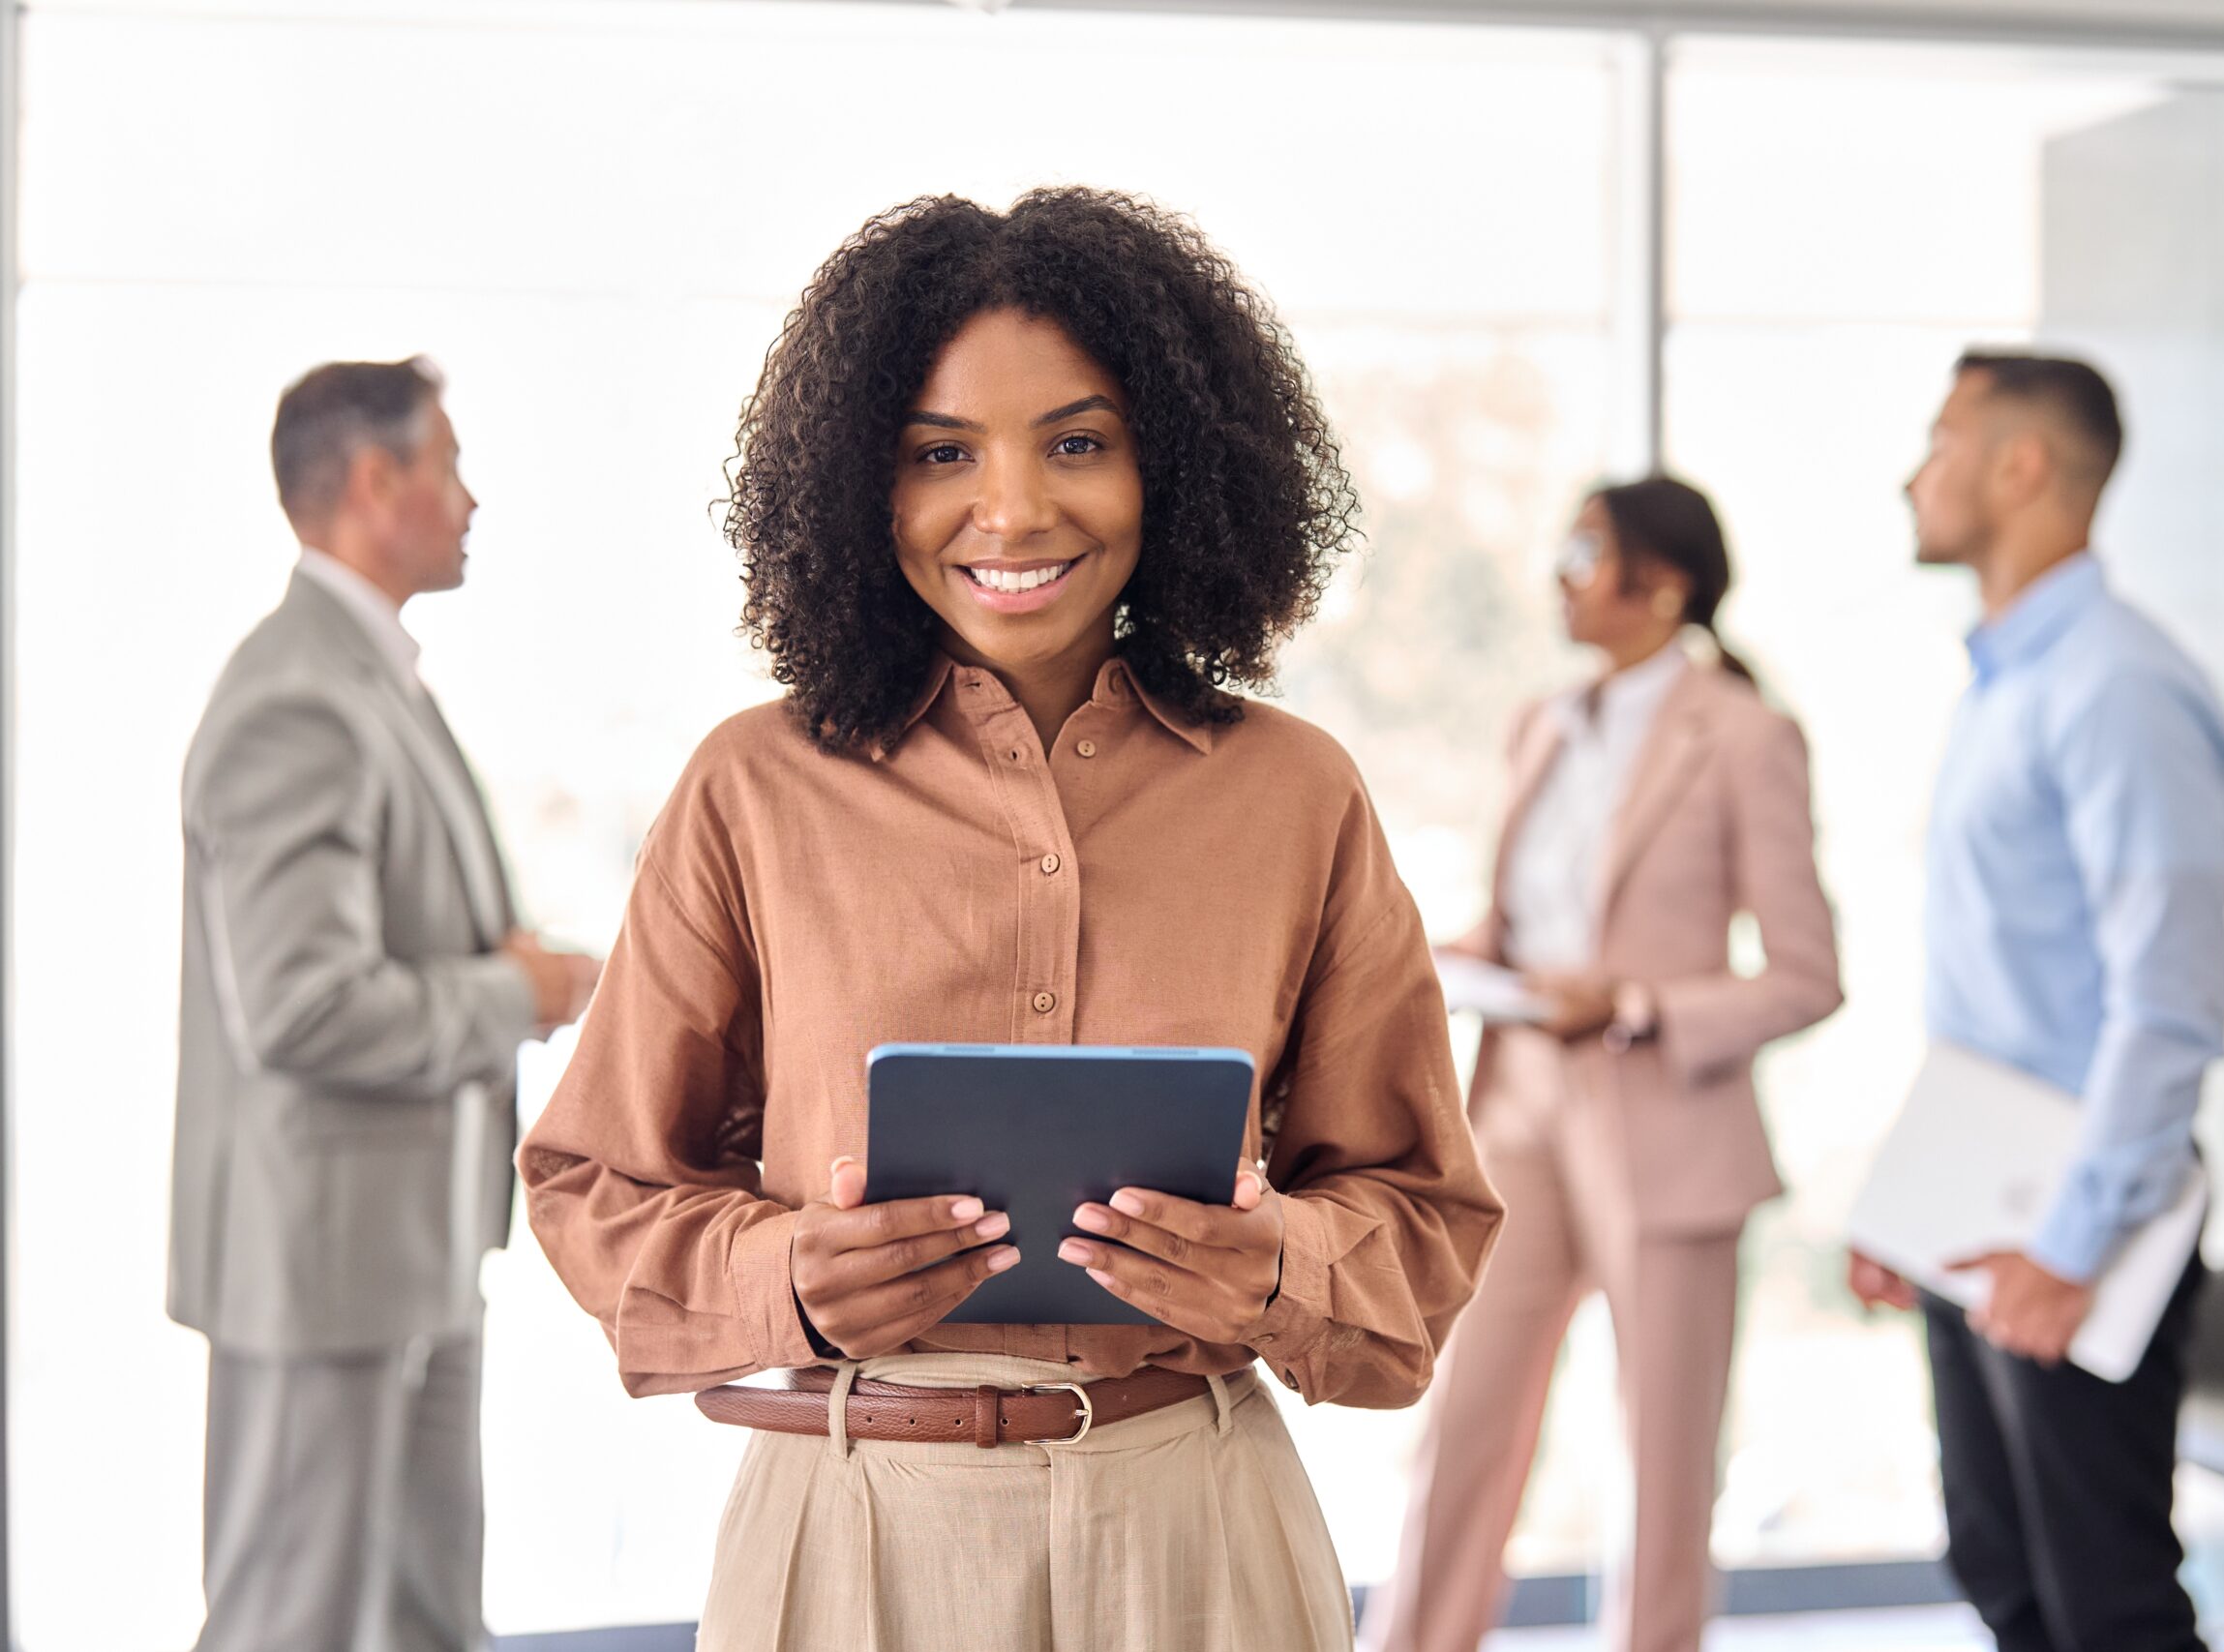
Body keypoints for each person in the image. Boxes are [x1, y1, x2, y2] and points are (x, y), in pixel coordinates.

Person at [516, 188, 1504, 1652]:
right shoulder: (753, 785)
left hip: (1198, 1529)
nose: (1016, 508)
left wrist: (1279, 1258)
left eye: (1079, 442)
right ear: (865, 485)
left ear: (1175, 466)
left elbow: (1419, 1216)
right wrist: (778, 1272)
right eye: (942, 454)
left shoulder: (1299, 796)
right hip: (851, 1531)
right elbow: (595, 1179)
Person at [168, 356, 601, 1651]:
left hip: (400, 1252)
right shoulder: (297, 695)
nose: (469, 500)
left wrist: (498, 962)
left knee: (427, 1617)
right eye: (449, 465)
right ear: (374, 481)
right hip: (323, 1267)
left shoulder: (366, 675)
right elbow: (302, 1008)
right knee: (286, 1621)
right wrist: (509, 989)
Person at [1370, 476, 1844, 1652]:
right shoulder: (1542, 722)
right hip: (1516, 1110)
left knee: (1664, 1460)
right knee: (1465, 1419)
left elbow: (1804, 975)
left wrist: (1632, 1002)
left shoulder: (1744, 735)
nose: (1563, 572)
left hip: (1664, 1129)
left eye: (1588, 550)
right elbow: (1519, 924)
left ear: (1663, 584)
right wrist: (1438, 954)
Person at [1849, 351, 2224, 1652]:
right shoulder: (2009, 683)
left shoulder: (2116, 686)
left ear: (2022, 464)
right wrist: (1909, 1209)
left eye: (1943, 437)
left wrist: (2071, 1245)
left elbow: (2167, 1002)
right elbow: (1997, 991)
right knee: (2001, 1569)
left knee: (2106, 1606)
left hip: (2076, 1219)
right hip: (1985, 1199)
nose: (1918, 470)